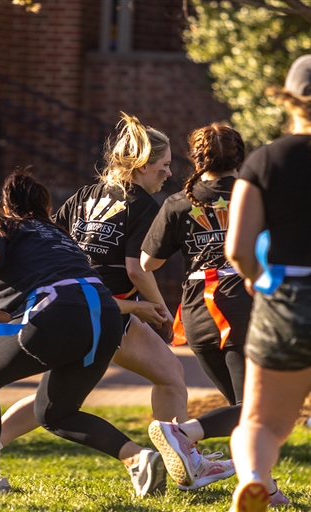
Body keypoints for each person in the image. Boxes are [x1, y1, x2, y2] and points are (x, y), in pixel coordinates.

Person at [0, 170, 166, 496]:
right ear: (48, 209)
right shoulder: (60, 235)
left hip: (55, 311)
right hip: (106, 318)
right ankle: (137, 457)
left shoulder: (4, 226)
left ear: (6, 207)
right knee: (55, 412)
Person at [141, 125, 248, 492]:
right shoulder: (253, 194)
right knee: (254, 409)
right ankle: (183, 433)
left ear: (196, 159)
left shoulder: (178, 202)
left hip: (198, 312)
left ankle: (263, 488)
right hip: (243, 306)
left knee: (244, 411)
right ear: (239, 156)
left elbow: (147, 262)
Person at [225, 54, 311, 512]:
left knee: (260, 422)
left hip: (286, 299)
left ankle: (255, 479)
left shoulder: (265, 160)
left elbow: (237, 249)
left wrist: (259, 280)